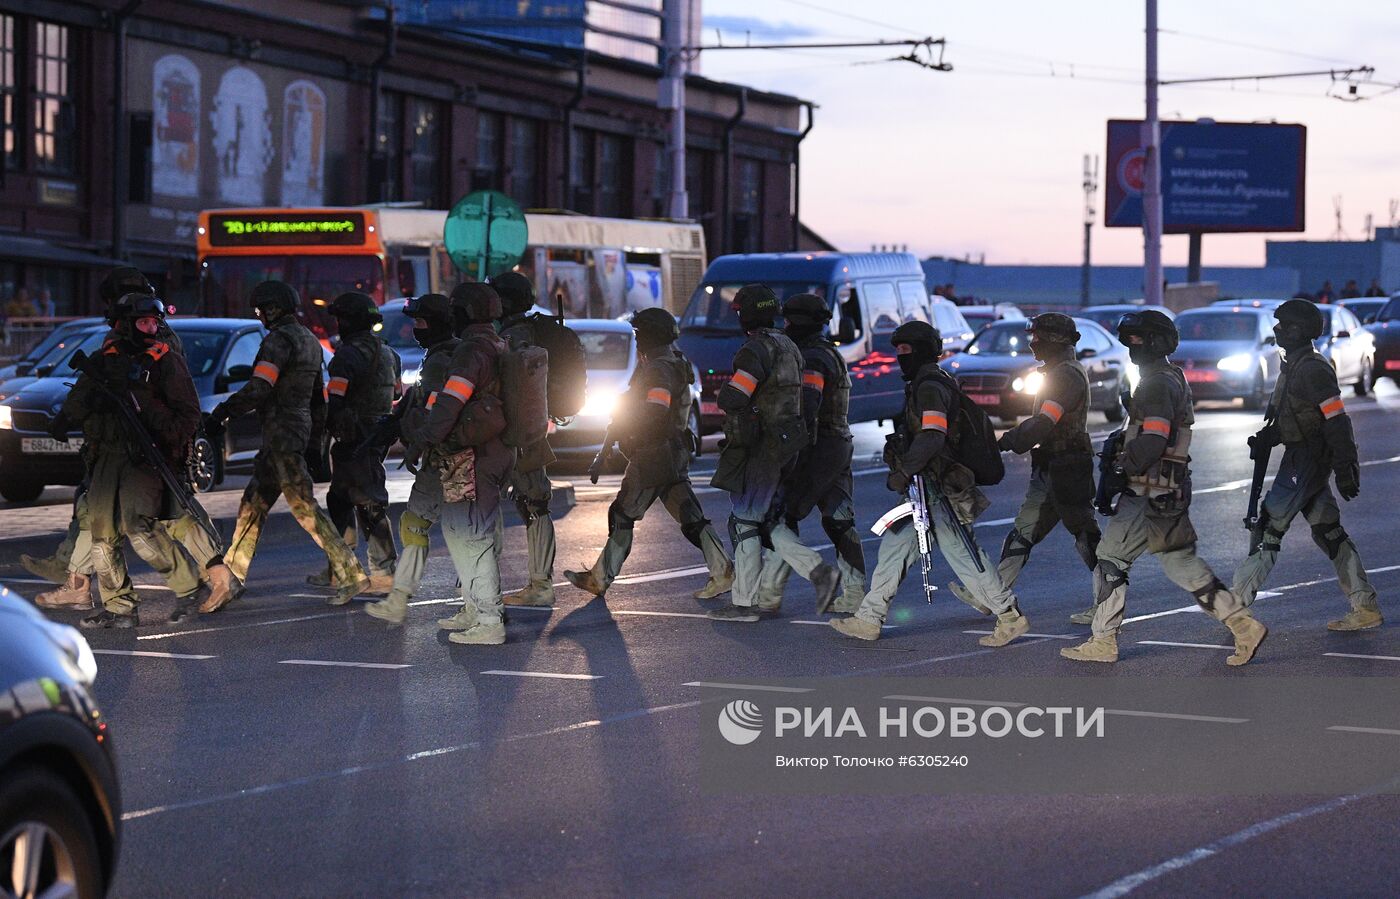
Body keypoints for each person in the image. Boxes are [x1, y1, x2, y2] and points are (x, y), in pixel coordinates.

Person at [1061, 310, 1268, 665]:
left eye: (1136, 340)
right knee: (1179, 562)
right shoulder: (1171, 376)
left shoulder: (1157, 383)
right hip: (1167, 489)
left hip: (1146, 490)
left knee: (1110, 559)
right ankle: (1242, 625)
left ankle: (1103, 641)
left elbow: (1154, 439)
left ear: (1153, 342)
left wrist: (1120, 467)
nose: (1130, 346)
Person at [27, 268, 240, 613]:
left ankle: (210, 577)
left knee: (168, 514)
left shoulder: (152, 339)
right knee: (100, 516)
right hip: (121, 448)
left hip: (149, 447)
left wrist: (164, 435)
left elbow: (169, 399)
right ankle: (85, 585)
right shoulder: (127, 336)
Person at [830, 321, 1031, 646]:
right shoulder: (928, 382)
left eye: (905, 350)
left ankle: (1008, 616)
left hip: (938, 487)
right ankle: (869, 618)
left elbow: (933, 435)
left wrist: (905, 470)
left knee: (964, 554)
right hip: (926, 487)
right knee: (895, 548)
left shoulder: (930, 386)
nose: (899, 357)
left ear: (922, 350)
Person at [209, 281, 370, 606]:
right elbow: (317, 399)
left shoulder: (278, 342)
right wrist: (313, 440)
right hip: (291, 433)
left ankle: (350, 574)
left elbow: (259, 388)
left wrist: (222, 413)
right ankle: (231, 578)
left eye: (260, 310)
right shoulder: (309, 340)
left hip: (281, 432)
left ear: (272, 309)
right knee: (252, 505)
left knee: (303, 506)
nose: (260, 316)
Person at [563, 308, 734, 599]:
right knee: (690, 516)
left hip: (654, 451)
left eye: (639, 334)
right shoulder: (672, 361)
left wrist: (629, 427)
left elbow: (655, 409)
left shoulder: (658, 369)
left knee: (622, 513)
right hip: (671, 450)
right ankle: (722, 570)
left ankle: (599, 577)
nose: (637, 339)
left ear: (650, 336)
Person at [1231, 300, 1380, 630]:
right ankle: (1364, 605)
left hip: (1307, 459)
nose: (1276, 330)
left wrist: (1345, 467)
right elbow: (1298, 415)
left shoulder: (1313, 369)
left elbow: (1336, 419)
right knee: (1329, 532)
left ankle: (1236, 608)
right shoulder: (1293, 365)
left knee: (1268, 526)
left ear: (1299, 331)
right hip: (1302, 456)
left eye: (1283, 325)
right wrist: (1271, 436)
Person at [57, 295, 204, 628]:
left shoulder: (166, 362)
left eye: (155, 323)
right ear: (124, 325)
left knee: (139, 527)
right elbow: (76, 404)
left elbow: (188, 414)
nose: (151, 329)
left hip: (144, 455)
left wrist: (144, 403)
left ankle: (188, 587)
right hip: (106, 457)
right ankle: (119, 606)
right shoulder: (104, 359)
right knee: (102, 535)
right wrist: (83, 406)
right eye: (143, 323)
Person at [951, 313, 1101, 620]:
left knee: (1086, 536)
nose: (1032, 344)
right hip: (1048, 466)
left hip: (1067, 468)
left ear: (1055, 341)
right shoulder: (1056, 372)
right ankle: (993, 594)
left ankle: (1107, 605)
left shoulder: (1065, 376)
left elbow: (1043, 423)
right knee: (1023, 531)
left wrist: (1002, 443)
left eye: (1037, 338)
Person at [706, 284, 840, 622]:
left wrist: (729, 393)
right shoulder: (789, 346)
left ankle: (746, 604)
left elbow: (735, 396)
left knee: (745, 523)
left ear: (747, 314)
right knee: (765, 520)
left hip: (761, 447)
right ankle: (815, 570)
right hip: (788, 445)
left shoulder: (755, 351)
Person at [405, 283, 516, 646]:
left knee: (471, 537)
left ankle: (488, 621)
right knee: (459, 532)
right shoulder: (498, 343)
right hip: (494, 450)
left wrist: (422, 439)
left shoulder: (471, 353)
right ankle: (473, 609)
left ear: (464, 314)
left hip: (474, 455)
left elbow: (449, 406)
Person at [753, 293, 865, 613]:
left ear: (799, 322)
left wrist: (783, 446)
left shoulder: (812, 358)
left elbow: (808, 406)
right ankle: (854, 594)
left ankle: (770, 594)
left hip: (817, 448)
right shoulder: (829, 352)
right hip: (838, 445)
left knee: (779, 517)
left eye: (788, 321)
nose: (784, 326)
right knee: (839, 522)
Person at [364, 293, 460, 625]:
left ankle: (400, 598)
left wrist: (416, 446)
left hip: (442, 456)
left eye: (420, 322)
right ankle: (480, 604)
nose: (415, 329)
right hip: (454, 455)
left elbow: (434, 412)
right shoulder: (448, 353)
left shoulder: (439, 360)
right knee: (464, 528)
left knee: (416, 523)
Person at [311, 291, 401, 595]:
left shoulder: (347, 356)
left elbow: (334, 402)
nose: (339, 324)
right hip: (377, 435)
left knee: (369, 503)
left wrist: (320, 438)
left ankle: (381, 570)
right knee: (342, 499)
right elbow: (397, 395)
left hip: (355, 439)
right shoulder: (389, 353)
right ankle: (341, 567)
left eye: (341, 319)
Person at [490, 271, 557, 608]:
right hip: (523, 432)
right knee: (530, 502)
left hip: (519, 434)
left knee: (533, 502)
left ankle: (540, 585)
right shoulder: (521, 331)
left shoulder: (516, 336)